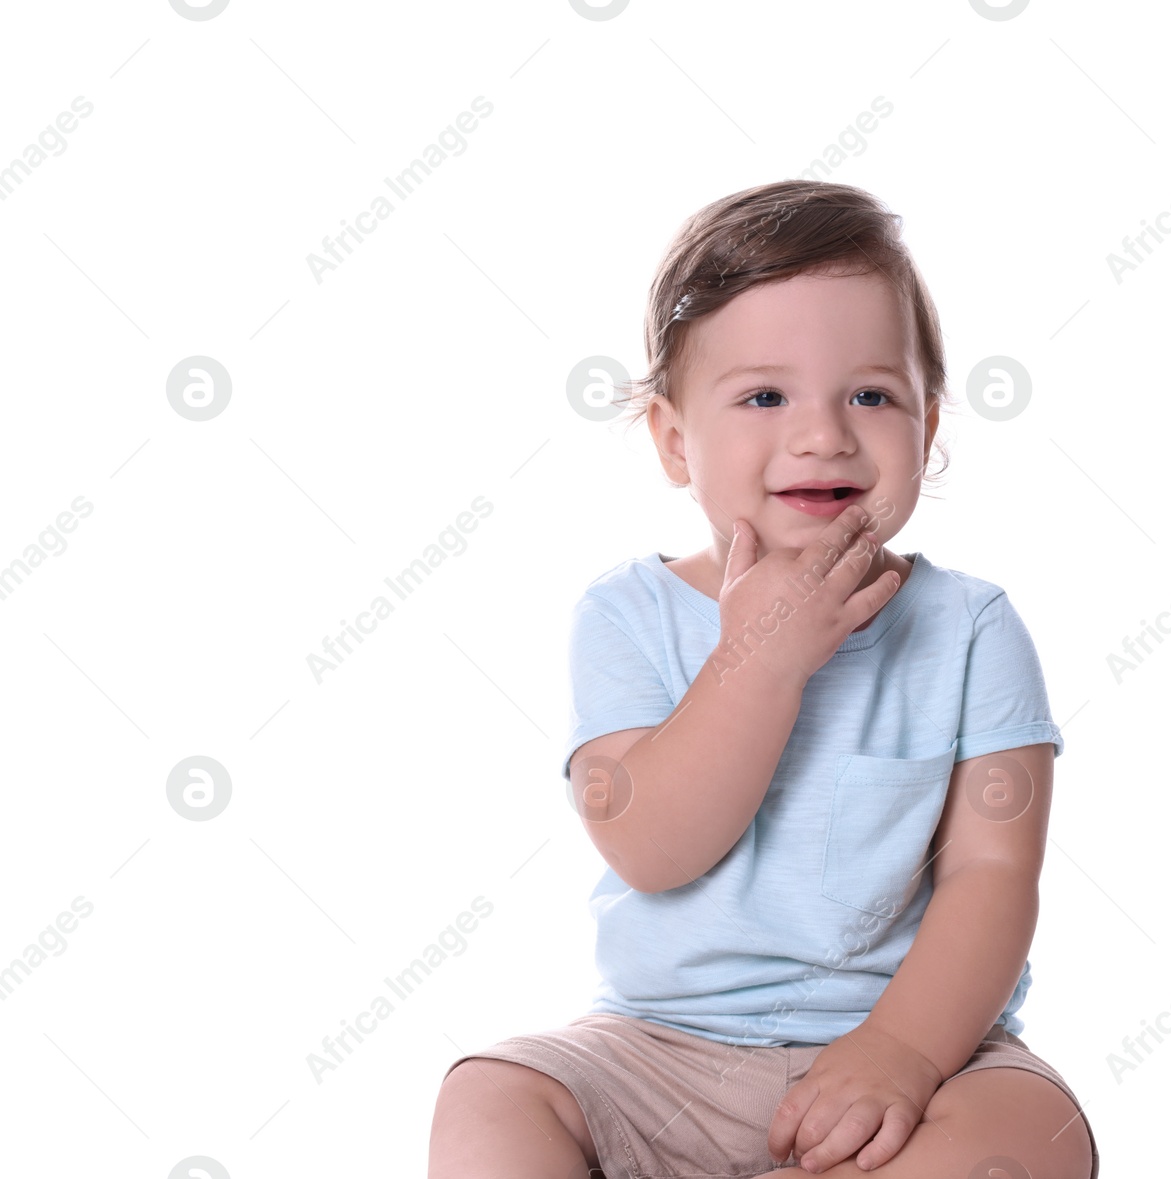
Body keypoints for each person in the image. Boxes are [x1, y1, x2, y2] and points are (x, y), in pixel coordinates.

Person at [428, 180, 1099, 1179]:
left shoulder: (970, 629)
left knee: (1034, 1133)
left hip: (915, 1057)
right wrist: (760, 659)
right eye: (763, 397)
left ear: (929, 422)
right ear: (671, 441)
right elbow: (652, 846)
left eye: (871, 395)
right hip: (661, 1057)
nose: (823, 434)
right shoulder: (627, 616)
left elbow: (990, 877)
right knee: (489, 1096)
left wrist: (902, 1054)